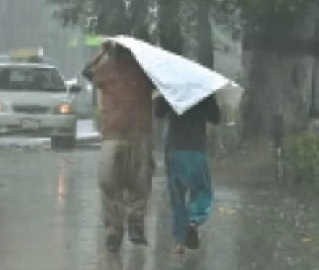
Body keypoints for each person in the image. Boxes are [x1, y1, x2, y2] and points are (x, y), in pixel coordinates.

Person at [83, 41, 155, 251]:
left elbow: (87, 71)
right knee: (118, 182)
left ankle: (132, 225)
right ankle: (116, 229)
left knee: (132, 183)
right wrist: (102, 54)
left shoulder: (144, 71)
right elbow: (87, 72)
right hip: (118, 134)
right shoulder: (108, 69)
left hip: (137, 135)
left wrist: (100, 53)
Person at [156, 92, 221, 252]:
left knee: (177, 197)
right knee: (202, 190)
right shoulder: (203, 90)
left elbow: (158, 113)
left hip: (176, 151)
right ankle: (193, 221)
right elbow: (216, 117)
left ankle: (179, 242)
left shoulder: (172, 89)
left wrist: (162, 95)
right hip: (197, 149)